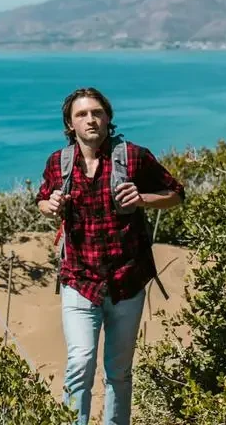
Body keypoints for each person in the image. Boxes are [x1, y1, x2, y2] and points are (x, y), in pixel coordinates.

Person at [36, 87, 185, 425]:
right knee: (79, 364)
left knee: (118, 372)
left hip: (127, 281)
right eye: (82, 114)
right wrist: (50, 207)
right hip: (79, 280)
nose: (91, 119)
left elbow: (176, 194)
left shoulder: (134, 157)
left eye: (97, 112)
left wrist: (144, 198)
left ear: (108, 117)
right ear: (70, 124)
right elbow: (42, 198)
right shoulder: (59, 162)